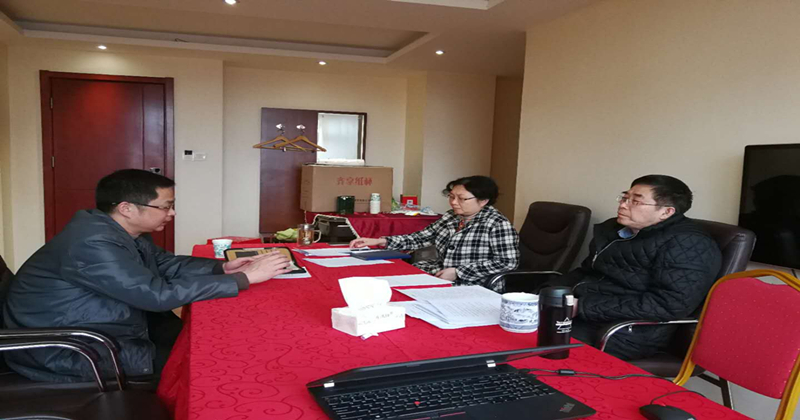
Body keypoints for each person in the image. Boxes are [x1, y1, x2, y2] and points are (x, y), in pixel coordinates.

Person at [2, 169, 292, 383]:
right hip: (71, 347)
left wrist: (221, 268)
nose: (172, 213)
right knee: (210, 364)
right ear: (126, 208)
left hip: (103, 324)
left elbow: (164, 264)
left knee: (215, 339)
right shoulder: (92, 243)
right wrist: (243, 279)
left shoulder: (119, 231)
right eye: (165, 206)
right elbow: (155, 296)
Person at [566, 175, 722, 360]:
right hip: (585, 314)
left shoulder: (689, 244)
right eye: (625, 198)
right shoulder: (614, 229)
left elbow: (668, 304)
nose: (623, 205)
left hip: (626, 331)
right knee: (534, 329)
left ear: (666, 212)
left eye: (636, 201)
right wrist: (545, 293)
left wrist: (582, 306)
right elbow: (586, 271)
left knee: (544, 347)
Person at [350, 176, 519, 289]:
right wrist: (380, 241)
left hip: (474, 285)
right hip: (440, 275)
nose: (454, 202)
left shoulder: (497, 224)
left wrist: (458, 272)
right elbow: (421, 238)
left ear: (483, 201)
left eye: (462, 198)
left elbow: (507, 262)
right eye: (451, 196)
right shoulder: (451, 216)